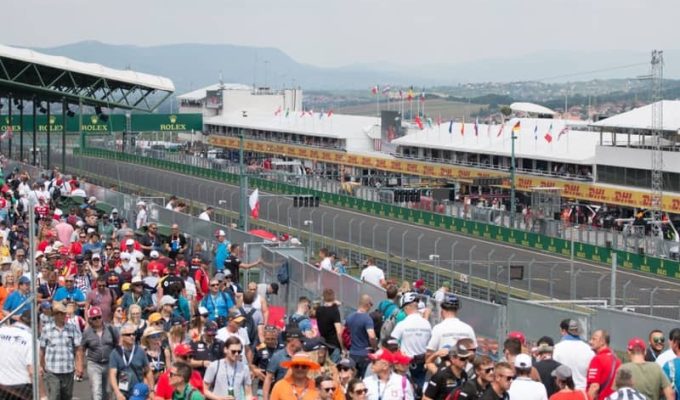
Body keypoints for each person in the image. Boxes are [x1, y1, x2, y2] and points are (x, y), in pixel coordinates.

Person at [40, 300, 84, 400]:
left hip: (68, 370)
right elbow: (42, 350)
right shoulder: (47, 329)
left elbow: (78, 350)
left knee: (67, 397)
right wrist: (41, 365)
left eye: (63, 313)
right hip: (52, 370)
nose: (61, 315)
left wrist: (79, 366)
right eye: (58, 313)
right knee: (54, 396)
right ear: (54, 315)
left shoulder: (72, 328)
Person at [391, 291, 431, 393]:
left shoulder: (403, 324)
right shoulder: (427, 324)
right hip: (422, 362)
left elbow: (391, 343)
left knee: (405, 390)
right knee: (419, 389)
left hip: (406, 364)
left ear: (407, 307)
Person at [82, 306, 119, 400]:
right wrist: (80, 365)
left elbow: (117, 345)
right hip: (94, 363)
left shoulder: (111, 329)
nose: (97, 320)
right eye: (94, 318)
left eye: (99, 317)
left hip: (109, 363)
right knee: (96, 390)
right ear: (90, 320)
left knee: (108, 391)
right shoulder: (87, 333)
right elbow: (81, 348)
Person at [109, 323, 154, 400]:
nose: (132, 336)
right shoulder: (115, 353)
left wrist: (151, 390)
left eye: (134, 334)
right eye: (128, 334)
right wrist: (117, 392)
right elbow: (112, 374)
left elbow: (148, 371)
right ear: (122, 336)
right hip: (122, 393)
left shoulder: (140, 351)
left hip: (139, 392)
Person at [0, 310, 33, 400]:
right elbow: (32, 371)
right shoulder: (31, 339)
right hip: (21, 387)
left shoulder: (2, 330)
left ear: (19, 319)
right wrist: (42, 395)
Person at [263, 327, 304, 400]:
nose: (303, 343)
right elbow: (268, 378)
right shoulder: (278, 356)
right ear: (293, 341)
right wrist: (265, 398)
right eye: (301, 341)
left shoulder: (302, 356)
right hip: (281, 395)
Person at [553, 319, 594, 391]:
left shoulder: (556, 349)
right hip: (583, 393)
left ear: (563, 331)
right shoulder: (589, 350)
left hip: (564, 391)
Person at [586, 330, 620, 400]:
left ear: (602, 342)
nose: (590, 342)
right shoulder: (617, 360)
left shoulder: (597, 359)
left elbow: (594, 387)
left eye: (594, 339)